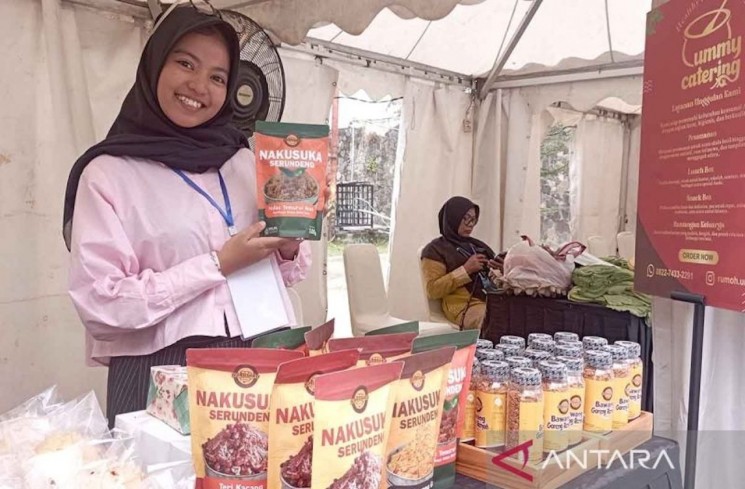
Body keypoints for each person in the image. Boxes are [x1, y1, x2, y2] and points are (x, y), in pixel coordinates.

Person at [64, 6, 311, 426]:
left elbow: (287, 273)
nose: (199, 86)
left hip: (263, 349)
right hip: (159, 366)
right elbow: (102, 303)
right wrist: (217, 265)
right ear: (155, 65)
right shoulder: (108, 173)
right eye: (185, 64)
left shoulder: (244, 160)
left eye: (218, 77)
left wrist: (289, 243)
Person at [420, 196, 498, 330]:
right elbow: (433, 290)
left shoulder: (477, 245)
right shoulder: (435, 250)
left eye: (473, 220)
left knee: (522, 311)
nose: (470, 224)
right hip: (462, 305)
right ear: (453, 218)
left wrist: (501, 269)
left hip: (490, 299)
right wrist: (466, 270)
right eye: (465, 218)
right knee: (493, 319)